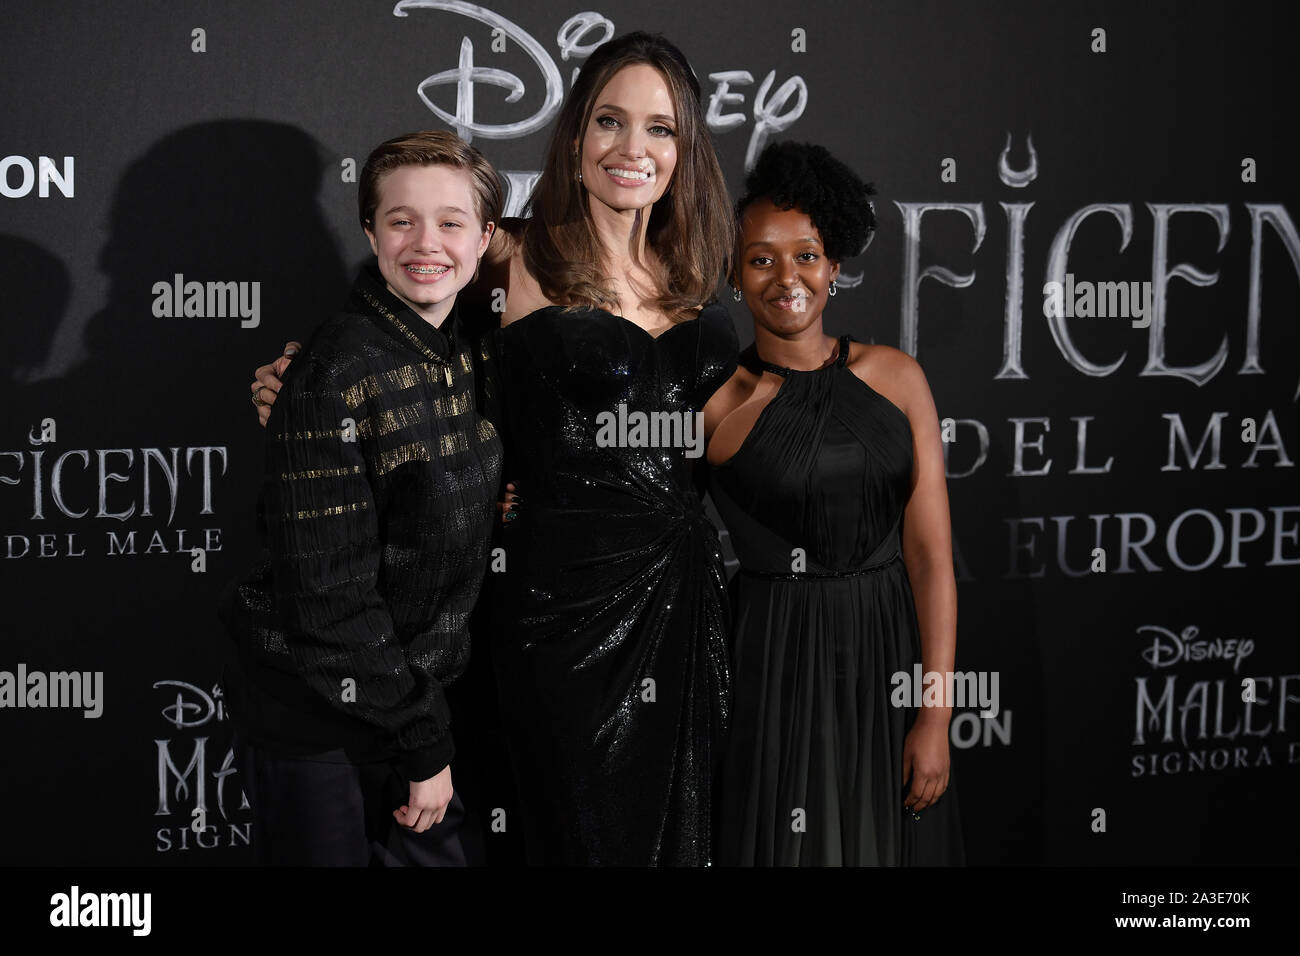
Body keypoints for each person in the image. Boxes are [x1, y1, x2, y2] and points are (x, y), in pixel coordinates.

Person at [248, 32, 737, 866]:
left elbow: (704, 426)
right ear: (575, 134)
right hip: (555, 602)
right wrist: (299, 378)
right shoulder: (513, 250)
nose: (633, 148)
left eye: (660, 128)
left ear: (685, 147)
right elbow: (400, 319)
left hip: (684, 591)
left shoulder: (690, 270)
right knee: (570, 829)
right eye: (609, 121)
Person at [220, 130, 503, 866]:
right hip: (322, 722)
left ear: (486, 238)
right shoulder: (334, 368)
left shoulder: (464, 349)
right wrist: (423, 741)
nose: (426, 242)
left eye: (451, 221)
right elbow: (327, 598)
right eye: (401, 219)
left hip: (409, 707)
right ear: (370, 232)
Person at [702, 141, 965, 865]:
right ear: (733, 272)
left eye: (807, 255)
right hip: (775, 668)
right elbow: (630, 512)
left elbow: (932, 559)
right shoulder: (715, 402)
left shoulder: (897, 377)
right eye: (761, 259)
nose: (787, 278)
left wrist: (935, 714)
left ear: (835, 265)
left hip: (888, 657)